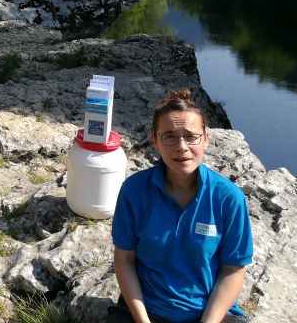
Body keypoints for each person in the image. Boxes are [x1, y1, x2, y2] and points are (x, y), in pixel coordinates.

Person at [107, 88, 253, 323]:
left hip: (209, 313)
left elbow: (233, 269)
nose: (181, 146)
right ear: (155, 141)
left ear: (205, 139)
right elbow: (124, 259)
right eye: (170, 137)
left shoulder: (228, 198)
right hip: (147, 309)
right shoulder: (134, 191)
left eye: (190, 136)